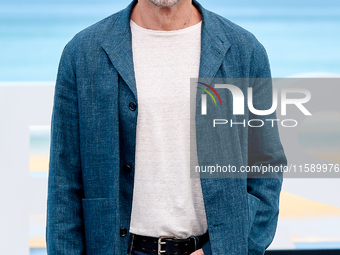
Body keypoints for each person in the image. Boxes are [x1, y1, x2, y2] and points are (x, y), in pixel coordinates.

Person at [46, 0, 287, 254]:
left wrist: (226, 250)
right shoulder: (82, 53)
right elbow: (64, 181)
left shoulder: (244, 51)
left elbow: (265, 169)